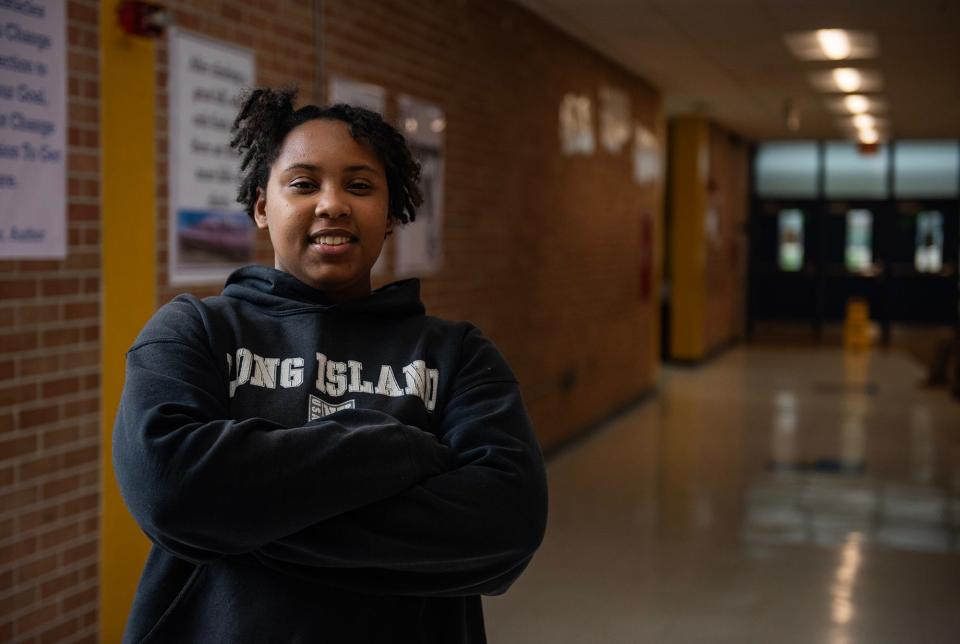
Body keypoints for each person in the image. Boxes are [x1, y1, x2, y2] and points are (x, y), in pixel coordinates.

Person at [112, 87, 548, 643]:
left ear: (390, 214)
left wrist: (239, 518)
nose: (332, 203)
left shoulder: (457, 355)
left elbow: (506, 526)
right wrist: (398, 448)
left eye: (360, 186)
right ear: (262, 206)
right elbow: (170, 489)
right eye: (303, 183)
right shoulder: (193, 332)